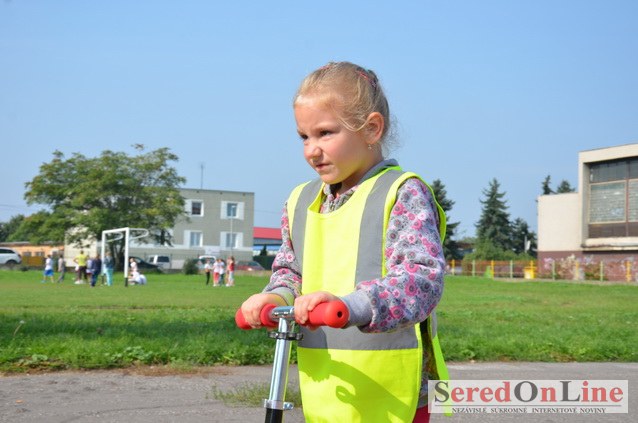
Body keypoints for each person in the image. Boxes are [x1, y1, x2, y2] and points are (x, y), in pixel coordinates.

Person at [239, 62, 449, 423]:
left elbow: (420, 279)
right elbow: (291, 272)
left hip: (395, 387)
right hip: (329, 383)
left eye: (325, 133)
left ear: (371, 129)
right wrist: (275, 297)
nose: (312, 150)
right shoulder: (301, 201)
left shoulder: (400, 193)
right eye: (304, 137)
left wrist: (352, 306)